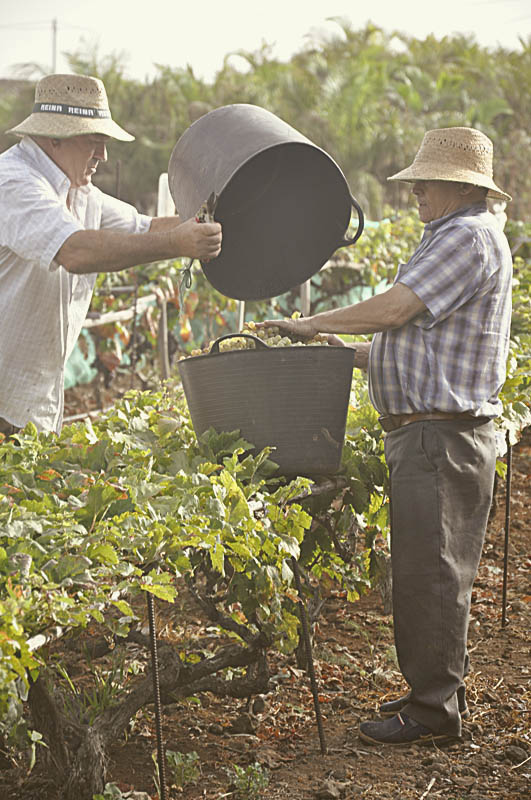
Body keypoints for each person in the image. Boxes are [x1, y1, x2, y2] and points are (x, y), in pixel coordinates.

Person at [259, 127, 513, 745]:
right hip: (430, 434)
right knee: (429, 571)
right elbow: (412, 343)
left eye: (425, 180)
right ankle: (432, 692)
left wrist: (313, 323)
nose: (416, 190)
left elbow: (398, 309)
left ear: (460, 186)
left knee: (432, 576)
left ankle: (433, 714)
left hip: (439, 438)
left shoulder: (468, 237)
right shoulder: (453, 236)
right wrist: (342, 351)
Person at [0, 73, 222, 435]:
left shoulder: (80, 193)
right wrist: (179, 243)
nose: (103, 155)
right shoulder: (13, 182)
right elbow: (73, 250)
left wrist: (208, 221)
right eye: (94, 141)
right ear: (56, 137)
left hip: (31, 408)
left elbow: (145, 227)